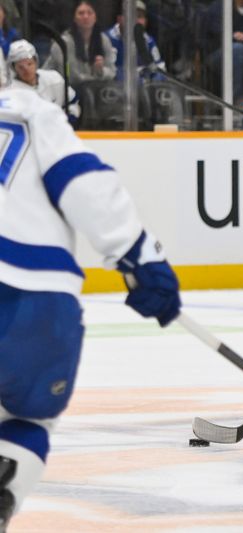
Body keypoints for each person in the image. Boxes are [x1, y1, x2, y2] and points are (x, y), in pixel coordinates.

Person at [0, 87, 181, 530]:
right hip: (34, 292)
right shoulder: (28, 110)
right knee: (26, 418)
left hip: (32, 290)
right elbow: (81, 181)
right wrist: (140, 256)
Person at [6, 39, 81, 127]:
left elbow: (73, 102)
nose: (26, 70)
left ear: (36, 62)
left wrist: (68, 119)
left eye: (29, 64)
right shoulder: (11, 92)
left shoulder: (54, 78)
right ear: (14, 68)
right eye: (21, 67)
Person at [43, 0, 117, 84]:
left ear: (95, 18)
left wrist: (101, 71)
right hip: (62, 89)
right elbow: (72, 77)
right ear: (74, 18)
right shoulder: (63, 43)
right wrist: (95, 77)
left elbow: (112, 71)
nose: (85, 16)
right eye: (81, 13)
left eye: (90, 13)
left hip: (92, 89)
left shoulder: (104, 40)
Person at [105, 0, 166, 82]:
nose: (135, 20)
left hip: (142, 91)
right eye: (131, 15)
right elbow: (106, 72)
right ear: (119, 19)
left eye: (139, 16)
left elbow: (160, 69)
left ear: (145, 21)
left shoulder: (148, 41)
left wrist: (156, 78)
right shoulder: (107, 39)